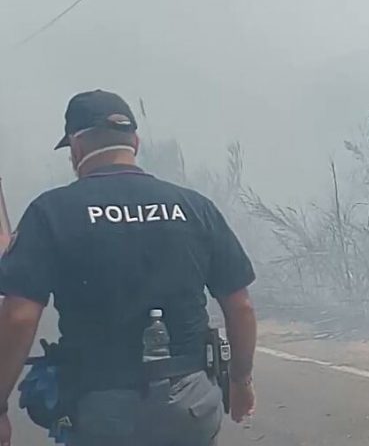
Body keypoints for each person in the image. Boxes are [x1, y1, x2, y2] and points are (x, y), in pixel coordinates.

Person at [0, 90, 258, 446]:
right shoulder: (195, 207)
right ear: (135, 142)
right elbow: (240, 305)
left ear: (76, 149)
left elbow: (19, 317)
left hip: (100, 410)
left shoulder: (52, 212)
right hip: (190, 407)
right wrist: (240, 381)